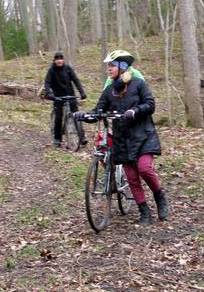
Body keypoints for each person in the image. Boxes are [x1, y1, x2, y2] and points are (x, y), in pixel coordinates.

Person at [76, 50, 168, 225]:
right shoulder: (110, 90)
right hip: (122, 138)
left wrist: (135, 111)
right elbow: (99, 110)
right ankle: (144, 212)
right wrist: (86, 116)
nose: (108, 69)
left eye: (111, 65)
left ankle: (159, 196)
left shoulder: (139, 84)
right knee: (132, 177)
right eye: (107, 66)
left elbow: (150, 104)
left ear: (122, 67)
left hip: (143, 135)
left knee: (144, 169)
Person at [44, 52, 87, 147]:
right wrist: (49, 93)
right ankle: (57, 139)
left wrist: (82, 92)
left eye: (61, 59)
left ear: (63, 60)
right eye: (57, 59)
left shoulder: (68, 69)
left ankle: (82, 136)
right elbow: (47, 83)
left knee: (77, 115)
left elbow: (76, 80)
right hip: (58, 97)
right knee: (59, 117)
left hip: (70, 95)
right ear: (54, 61)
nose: (59, 61)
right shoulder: (51, 70)